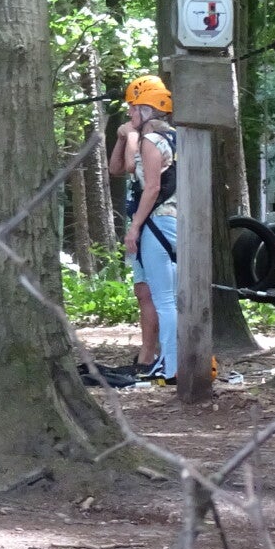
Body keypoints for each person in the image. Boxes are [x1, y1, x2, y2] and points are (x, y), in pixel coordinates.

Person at [110, 75, 178, 384]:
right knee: (166, 296)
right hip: (168, 222)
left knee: (164, 299)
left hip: (156, 222)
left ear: (146, 110)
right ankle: (168, 362)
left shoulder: (151, 142)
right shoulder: (174, 138)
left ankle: (171, 366)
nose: (129, 113)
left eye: (133, 108)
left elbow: (151, 187)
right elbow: (118, 168)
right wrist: (125, 137)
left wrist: (134, 227)